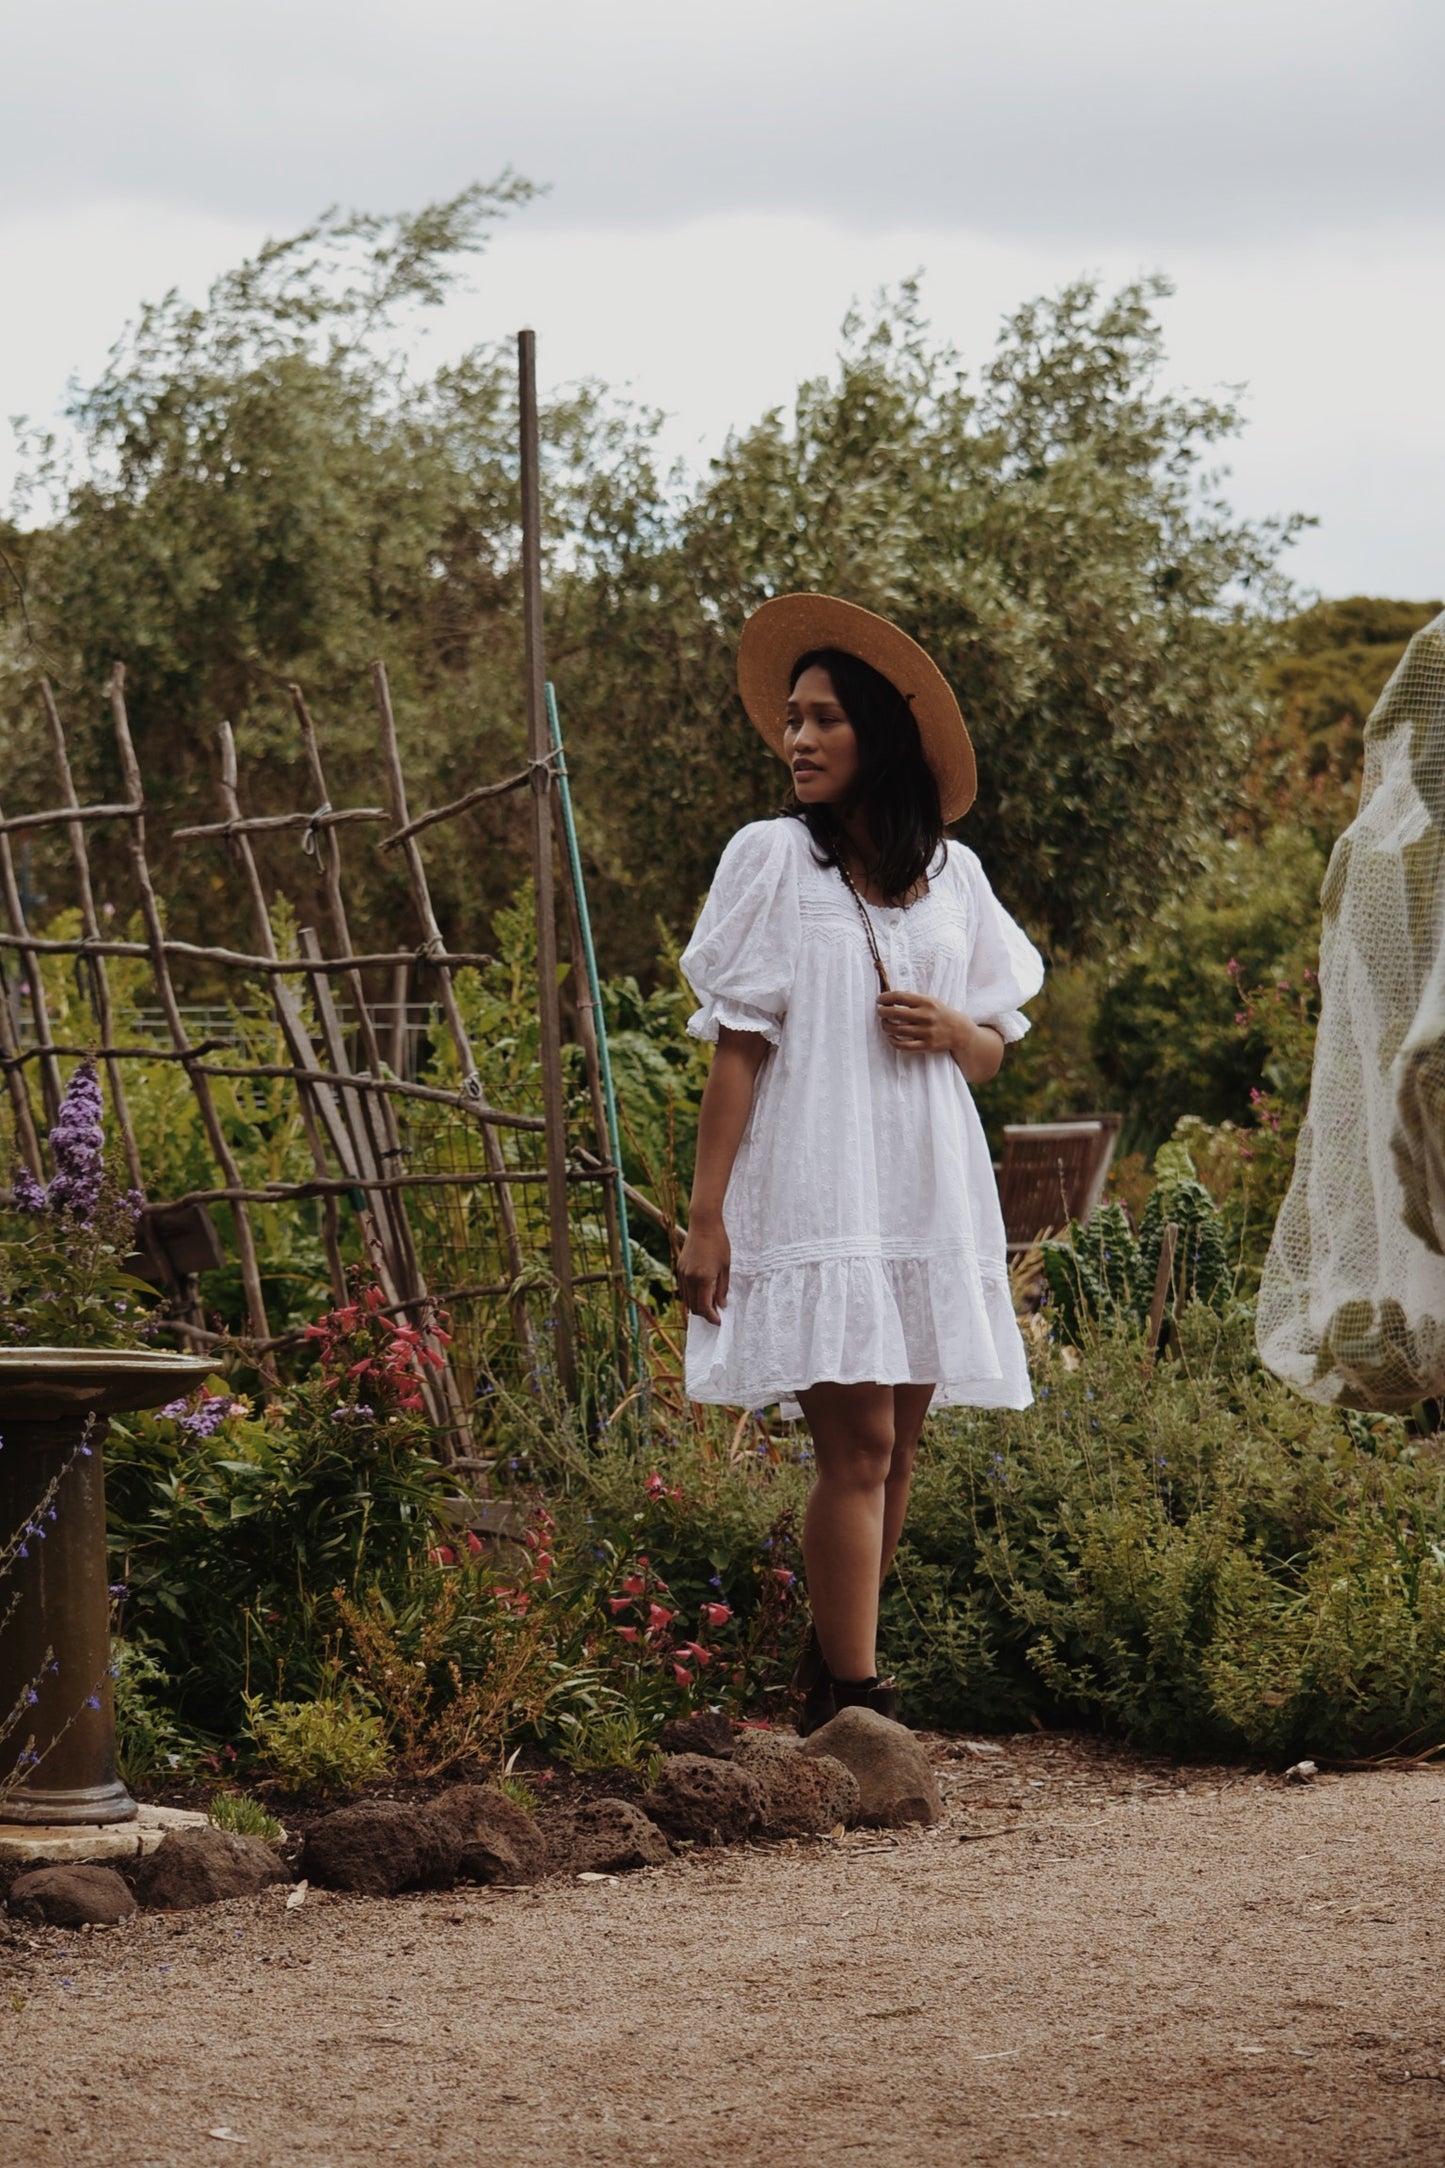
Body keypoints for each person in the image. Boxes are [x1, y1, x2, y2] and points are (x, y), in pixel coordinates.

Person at [677, 594, 1044, 1732]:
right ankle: (856, 1692)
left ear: (878, 732)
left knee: (902, 1448)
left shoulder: (957, 876)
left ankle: (824, 1679)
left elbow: (990, 1047)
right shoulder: (772, 858)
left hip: (926, 1183)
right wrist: (706, 1215)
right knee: (861, 1441)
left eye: (823, 718)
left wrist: (954, 1031)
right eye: (790, 718)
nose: (796, 738)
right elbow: (737, 1047)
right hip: (821, 1177)